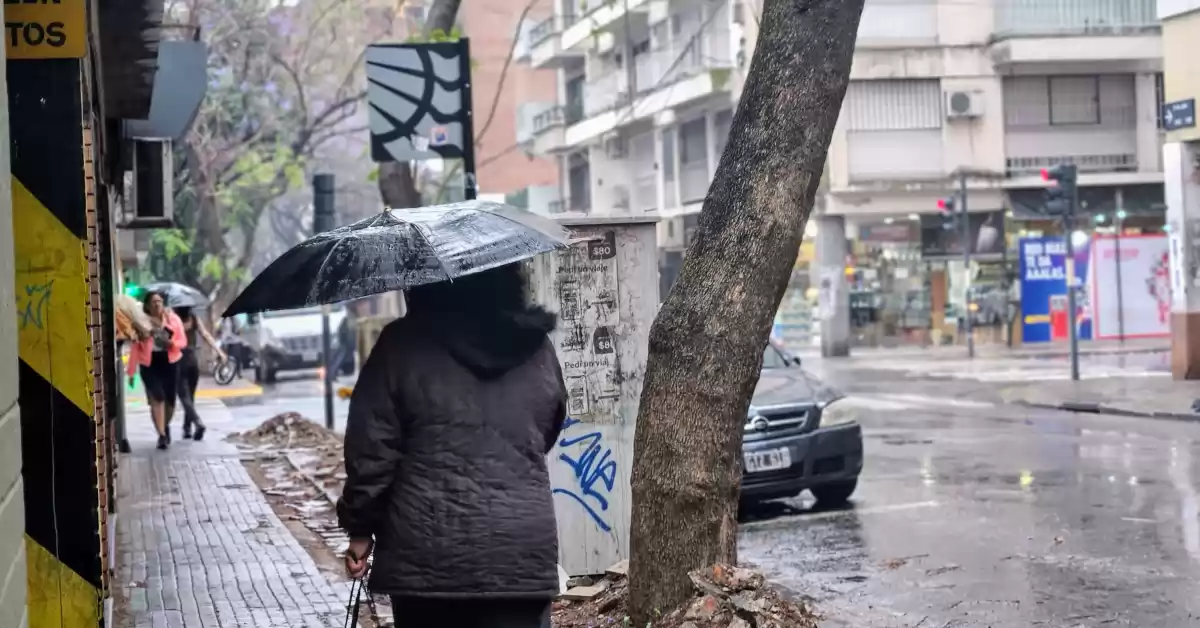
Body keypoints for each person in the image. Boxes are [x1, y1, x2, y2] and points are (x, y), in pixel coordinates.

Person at [337, 263, 566, 628]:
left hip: (427, 561)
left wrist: (360, 529)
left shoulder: (401, 345)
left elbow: (372, 454)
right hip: (519, 555)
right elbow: (547, 427)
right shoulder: (535, 345)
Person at [127, 291, 187, 450]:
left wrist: (171, 343)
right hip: (149, 363)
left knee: (170, 402)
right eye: (153, 302)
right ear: (147, 305)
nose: (157, 304)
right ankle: (161, 435)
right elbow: (135, 348)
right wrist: (131, 372)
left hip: (169, 361)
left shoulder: (172, 319)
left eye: (159, 301)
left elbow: (182, 340)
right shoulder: (141, 323)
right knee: (157, 398)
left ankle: (164, 426)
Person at [174, 306, 226, 441]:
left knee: (184, 396)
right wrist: (218, 351)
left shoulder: (173, 319)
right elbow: (205, 334)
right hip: (192, 359)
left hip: (178, 358)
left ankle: (197, 423)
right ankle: (186, 428)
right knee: (190, 396)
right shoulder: (193, 318)